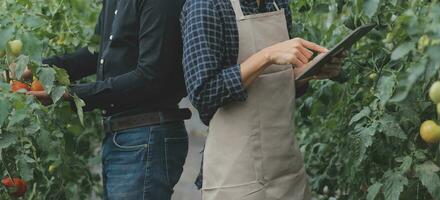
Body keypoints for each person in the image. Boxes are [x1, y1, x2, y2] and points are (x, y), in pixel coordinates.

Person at [181, 0, 344, 199]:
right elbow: (204, 94)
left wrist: (308, 73)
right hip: (239, 176)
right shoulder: (206, 6)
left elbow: (271, 85)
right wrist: (267, 56)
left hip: (288, 170)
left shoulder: (277, 3)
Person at [29, 0, 189, 199]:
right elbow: (98, 54)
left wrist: (72, 93)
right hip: (124, 136)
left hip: (145, 136)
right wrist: (40, 69)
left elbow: (150, 76)